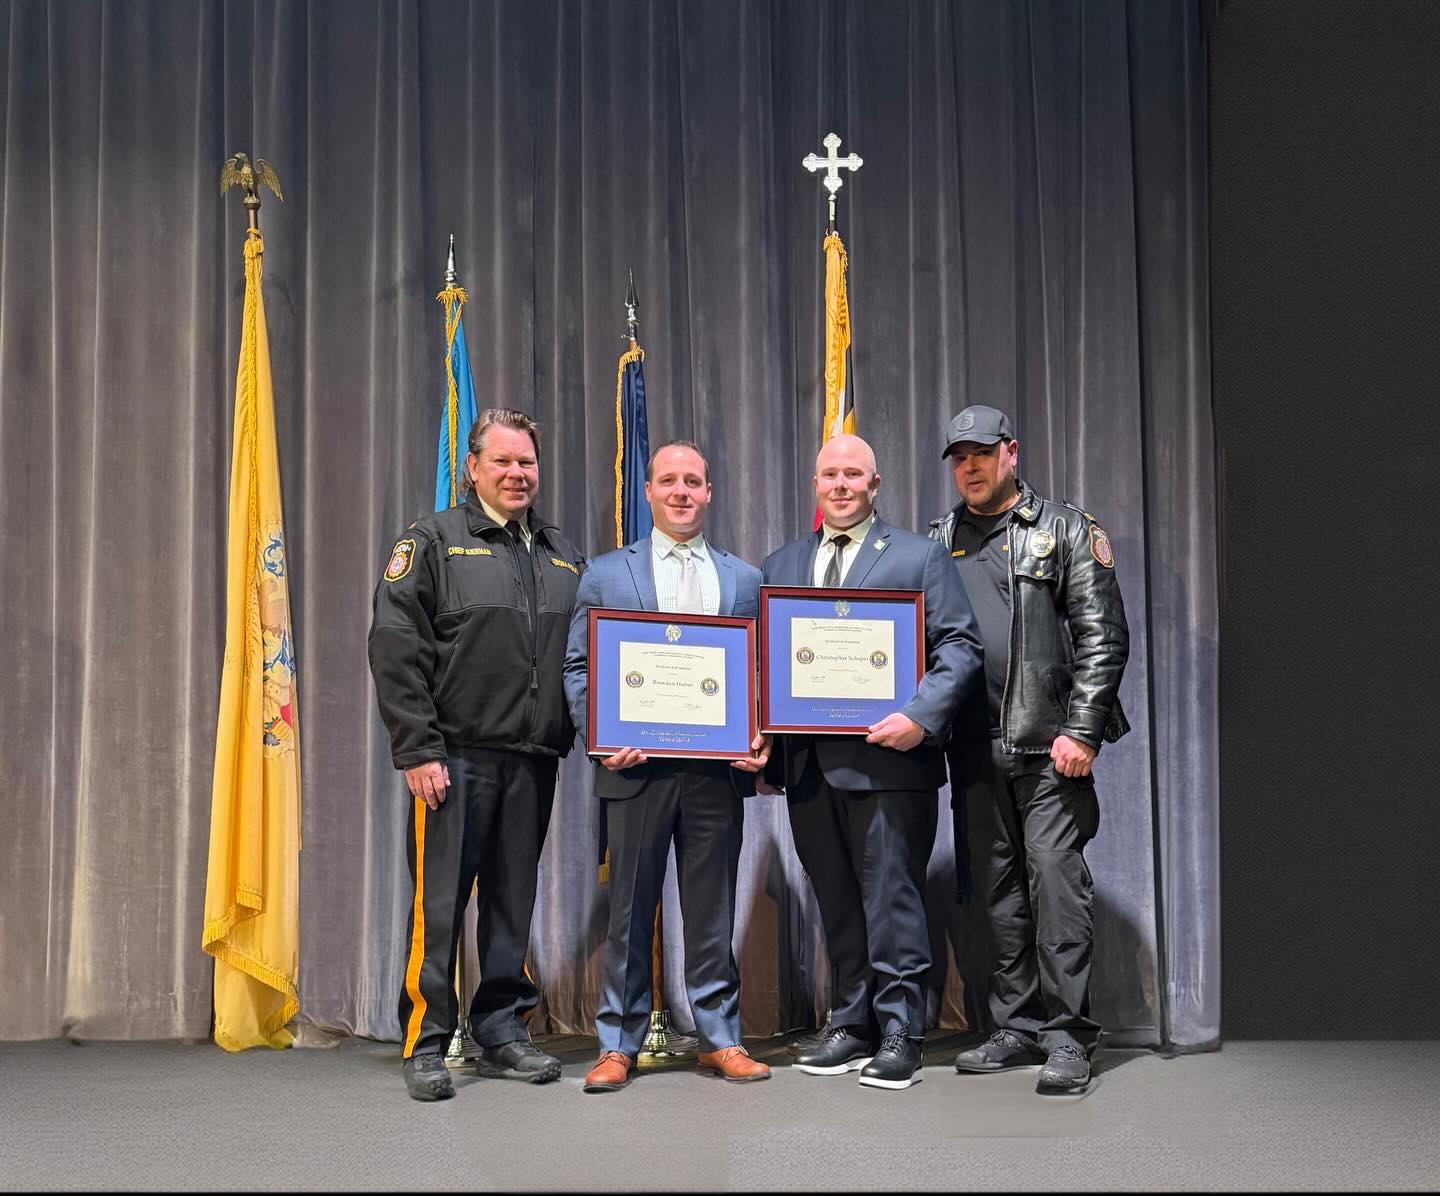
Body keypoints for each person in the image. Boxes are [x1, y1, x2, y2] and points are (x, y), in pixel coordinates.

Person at [368, 408, 585, 1102]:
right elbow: (395, 645)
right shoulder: (430, 541)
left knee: (511, 905)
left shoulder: (562, 553)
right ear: (473, 467)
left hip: (532, 759)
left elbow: (585, 659)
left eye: (527, 463)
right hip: (451, 760)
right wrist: (417, 748)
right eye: (503, 462)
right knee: (438, 907)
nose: (518, 474)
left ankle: (500, 1032)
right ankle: (426, 1041)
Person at [761, 433, 982, 1090]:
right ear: (815, 483)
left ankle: (901, 1030)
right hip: (807, 768)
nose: (840, 484)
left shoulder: (919, 556)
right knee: (836, 902)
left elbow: (960, 650)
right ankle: (852, 1021)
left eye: (853, 474)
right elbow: (762, 666)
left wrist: (919, 717)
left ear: (874, 485)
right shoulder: (781, 563)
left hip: (891, 765)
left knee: (893, 900)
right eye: (829, 473)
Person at [563, 440, 772, 1093]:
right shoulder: (603, 574)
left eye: (694, 482)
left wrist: (760, 733)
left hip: (716, 774)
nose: (682, 492)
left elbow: (760, 676)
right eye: (669, 481)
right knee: (627, 910)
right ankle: (618, 1044)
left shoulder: (744, 579)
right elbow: (578, 668)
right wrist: (601, 737)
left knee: (712, 911)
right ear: (648, 492)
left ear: (709, 492)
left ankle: (719, 1038)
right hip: (636, 770)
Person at [933, 404, 1130, 1094]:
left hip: (1049, 749)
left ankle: (1068, 1035)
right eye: (959, 457)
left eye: (982, 453)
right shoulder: (939, 539)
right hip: (970, 748)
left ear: (1011, 452)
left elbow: (1103, 636)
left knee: (1056, 887)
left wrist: (1081, 729)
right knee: (998, 897)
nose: (970, 467)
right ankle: (1015, 1027)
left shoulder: (1067, 528)